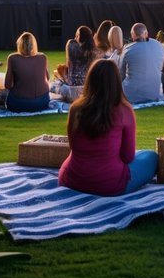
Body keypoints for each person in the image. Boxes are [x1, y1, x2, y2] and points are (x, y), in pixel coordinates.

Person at [58, 60, 158, 196]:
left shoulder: (76, 108)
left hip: (71, 180)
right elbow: (127, 157)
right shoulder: (124, 111)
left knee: (142, 155)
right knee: (152, 157)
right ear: (116, 82)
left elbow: (73, 146)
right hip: (108, 184)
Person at [4, 31, 50, 112]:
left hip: (20, 103)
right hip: (42, 102)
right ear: (34, 44)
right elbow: (47, 78)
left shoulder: (12, 58)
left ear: (20, 44)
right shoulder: (43, 57)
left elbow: (7, 85)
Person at [121, 22, 164, 104]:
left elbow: (121, 74)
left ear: (132, 35)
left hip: (131, 96)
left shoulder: (127, 49)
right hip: (155, 94)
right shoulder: (159, 46)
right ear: (146, 33)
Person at [59, 26, 99, 102]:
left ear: (79, 36)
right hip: (88, 93)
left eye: (76, 35)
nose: (75, 38)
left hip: (73, 93)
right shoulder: (95, 52)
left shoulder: (71, 45)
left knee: (56, 85)